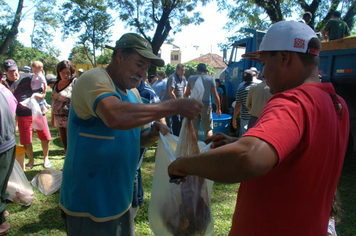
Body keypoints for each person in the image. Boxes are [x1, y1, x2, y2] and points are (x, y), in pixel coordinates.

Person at [168, 21, 349, 235]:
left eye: (264, 63)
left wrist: (181, 165)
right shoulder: (337, 104)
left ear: (284, 57)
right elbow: (301, 154)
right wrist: (239, 142)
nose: (262, 73)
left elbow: (248, 158)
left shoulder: (292, 102)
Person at [59, 32, 203, 236]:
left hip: (121, 199)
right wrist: (175, 106)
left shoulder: (133, 93)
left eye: (145, 68)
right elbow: (115, 116)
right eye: (139, 64)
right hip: (88, 203)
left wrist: (153, 134)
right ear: (119, 56)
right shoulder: (95, 78)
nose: (143, 74)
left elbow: (138, 139)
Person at [2, 59, 51, 169]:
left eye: (15, 70)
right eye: (10, 71)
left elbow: (42, 84)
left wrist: (43, 95)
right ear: (5, 72)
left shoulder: (28, 77)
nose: (13, 73)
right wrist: (14, 124)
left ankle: (46, 158)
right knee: (26, 139)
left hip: (37, 111)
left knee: (45, 136)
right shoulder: (5, 85)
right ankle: (31, 161)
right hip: (22, 115)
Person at [132, 72, 165, 218]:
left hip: (143, 134)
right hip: (130, 135)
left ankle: (133, 203)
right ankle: (139, 199)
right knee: (136, 168)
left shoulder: (148, 93)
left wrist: (162, 137)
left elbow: (159, 112)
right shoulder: (125, 90)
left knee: (134, 168)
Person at [184, 63, 221, 139]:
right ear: (205, 71)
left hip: (194, 105)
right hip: (206, 106)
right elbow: (215, 95)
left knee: (194, 129)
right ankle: (207, 148)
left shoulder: (191, 78)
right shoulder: (210, 79)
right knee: (209, 129)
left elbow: (186, 94)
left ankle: (194, 149)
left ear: (197, 70)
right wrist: (219, 108)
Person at [51, 61, 76, 156]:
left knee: (71, 143)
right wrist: (52, 117)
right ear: (58, 72)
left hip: (69, 118)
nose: (65, 75)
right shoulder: (56, 83)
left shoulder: (74, 83)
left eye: (68, 73)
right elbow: (53, 100)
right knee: (64, 144)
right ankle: (66, 163)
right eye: (62, 73)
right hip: (58, 118)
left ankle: (71, 163)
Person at [0, 88, 16, 235]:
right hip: (7, 141)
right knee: (2, 183)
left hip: (3, 143)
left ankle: (1, 222)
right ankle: (2, 210)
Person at [161, 63, 187, 136]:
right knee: (168, 122)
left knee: (177, 121)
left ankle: (176, 138)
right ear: (177, 70)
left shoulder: (184, 78)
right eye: (181, 70)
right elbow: (170, 92)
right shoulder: (172, 77)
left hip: (177, 103)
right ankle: (168, 139)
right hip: (168, 103)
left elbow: (183, 91)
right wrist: (178, 103)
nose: (183, 72)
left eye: (184, 70)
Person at [232, 69, 254, 137]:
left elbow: (238, 105)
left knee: (244, 136)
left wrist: (234, 118)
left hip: (245, 117)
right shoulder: (257, 88)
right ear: (252, 78)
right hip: (256, 117)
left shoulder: (241, 90)